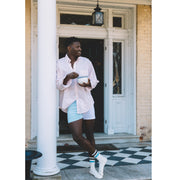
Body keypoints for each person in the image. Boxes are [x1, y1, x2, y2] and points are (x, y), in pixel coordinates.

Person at [56, 37, 107, 179]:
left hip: (87, 102)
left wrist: (88, 83)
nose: (80, 49)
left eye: (80, 47)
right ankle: (100, 157)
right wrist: (67, 77)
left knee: (90, 136)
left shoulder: (86, 62)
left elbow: (95, 80)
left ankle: (92, 167)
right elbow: (58, 85)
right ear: (69, 48)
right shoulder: (60, 64)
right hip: (71, 102)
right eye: (77, 47)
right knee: (77, 136)